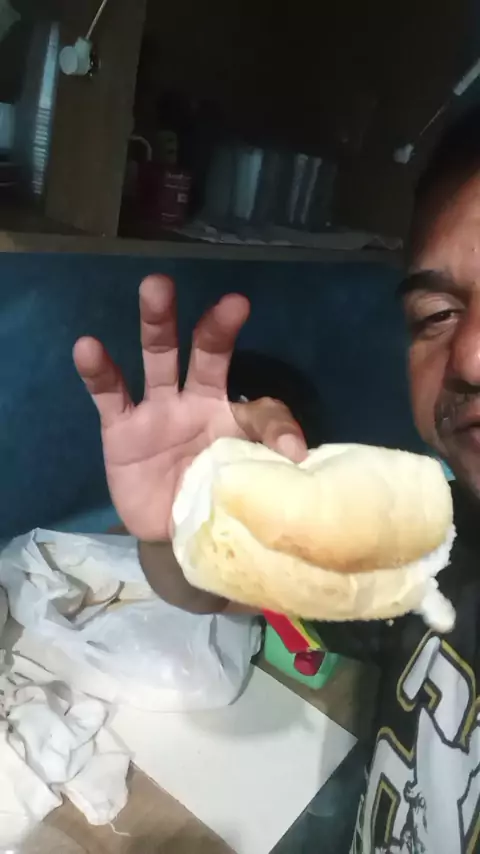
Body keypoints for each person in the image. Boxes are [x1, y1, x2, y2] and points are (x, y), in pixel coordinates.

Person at [73, 105, 480, 853]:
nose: (471, 357)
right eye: (437, 313)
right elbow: (212, 591)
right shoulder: (430, 538)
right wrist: (184, 525)